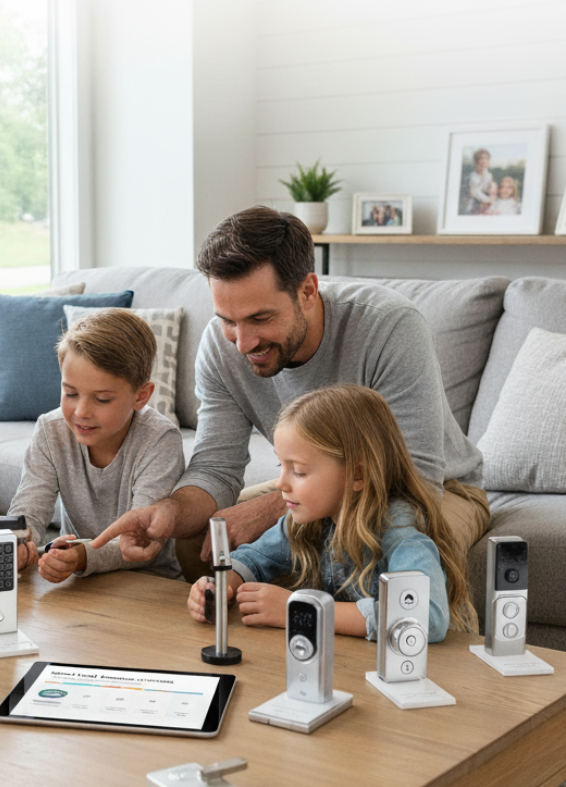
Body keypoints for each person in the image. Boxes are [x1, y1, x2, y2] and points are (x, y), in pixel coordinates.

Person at [91, 206, 490, 598]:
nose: (242, 343)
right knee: (198, 541)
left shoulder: (389, 327)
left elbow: (415, 475)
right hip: (314, 480)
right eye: (228, 320)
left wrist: (268, 512)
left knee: (376, 558)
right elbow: (216, 467)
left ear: (308, 291)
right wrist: (170, 513)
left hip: (428, 490)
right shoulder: (221, 345)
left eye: (260, 318)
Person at [186, 385, 473, 640]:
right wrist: (222, 585)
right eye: (281, 467)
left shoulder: (401, 534)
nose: (281, 484)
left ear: (357, 475)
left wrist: (299, 610)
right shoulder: (307, 523)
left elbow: (425, 618)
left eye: (298, 471)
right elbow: (254, 559)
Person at [7, 309, 186, 582]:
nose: (81, 411)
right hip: (84, 580)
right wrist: (20, 542)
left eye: (102, 399)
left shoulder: (160, 440)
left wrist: (81, 555)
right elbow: (28, 510)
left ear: (141, 396)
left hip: (150, 581)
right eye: (70, 393)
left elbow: (139, 541)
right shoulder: (50, 429)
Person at [462, 148, 494, 215]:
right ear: (476, 163)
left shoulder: (488, 175)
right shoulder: (473, 176)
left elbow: (488, 189)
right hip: (473, 206)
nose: (484, 162)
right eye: (481, 159)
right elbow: (475, 192)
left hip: (485, 204)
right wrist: (489, 200)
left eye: (486, 159)